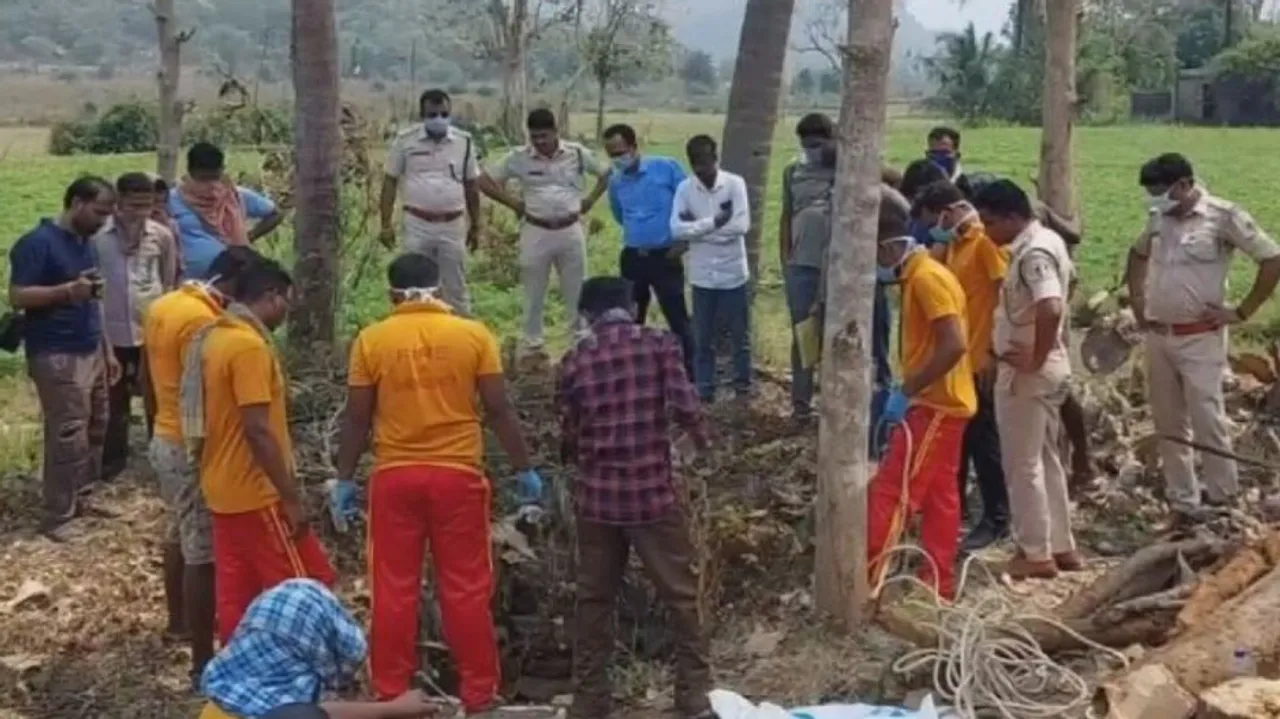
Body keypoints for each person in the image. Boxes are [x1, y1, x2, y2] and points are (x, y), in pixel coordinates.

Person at [331, 253, 542, 713]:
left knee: (393, 588)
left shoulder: (372, 340)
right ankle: (479, 694)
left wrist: (344, 479)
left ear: (392, 295)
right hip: (458, 477)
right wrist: (524, 467)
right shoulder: (472, 335)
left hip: (394, 479)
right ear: (440, 291)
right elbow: (499, 409)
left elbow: (356, 417)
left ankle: (391, 694)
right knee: (465, 588)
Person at [556, 277, 713, 719]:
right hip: (652, 497)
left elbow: (568, 435)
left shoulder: (575, 361)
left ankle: (589, 700)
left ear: (587, 316)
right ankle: (694, 695)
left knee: (594, 600)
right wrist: (698, 446)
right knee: (681, 596)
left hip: (598, 501)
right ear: (631, 307)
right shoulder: (660, 345)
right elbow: (687, 407)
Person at [181, 259, 337, 643]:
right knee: (308, 586)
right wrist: (290, 498)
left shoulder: (215, 337)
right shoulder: (248, 347)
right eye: (286, 301)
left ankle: (243, 675)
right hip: (257, 491)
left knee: (239, 595)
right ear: (271, 296)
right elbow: (257, 430)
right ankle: (305, 676)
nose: (286, 312)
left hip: (223, 488)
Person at [1127, 154, 1280, 523]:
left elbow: (1272, 258)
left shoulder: (1223, 217)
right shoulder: (1157, 220)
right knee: (1168, 423)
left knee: (1207, 418)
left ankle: (1222, 500)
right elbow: (1137, 254)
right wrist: (1137, 302)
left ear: (1184, 184)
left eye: (1160, 192)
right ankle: (1184, 502)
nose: (1155, 200)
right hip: (1160, 336)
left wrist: (1242, 312)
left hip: (1201, 339)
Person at [145, 246, 260, 683]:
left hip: (164, 433)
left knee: (177, 531)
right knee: (203, 552)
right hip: (190, 442)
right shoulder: (203, 322)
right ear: (234, 283)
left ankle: (178, 622)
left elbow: (145, 375)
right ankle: (201, 660)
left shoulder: (166, 304)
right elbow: (203, 392)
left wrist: (154, 423)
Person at [865, 205, 974, 601]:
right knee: (941, 497)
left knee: (894, 491)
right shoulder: (920, 276)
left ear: (888, 248)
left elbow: (954, 344)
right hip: (947, 403)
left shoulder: (927, 279)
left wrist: (908, 390)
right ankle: (938, 584)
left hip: (935, 405)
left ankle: (868, 577)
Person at [975, 180, 1080, 579]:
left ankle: (1034, 552)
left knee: (1023, 463)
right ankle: (1061, 545)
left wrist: (1034, 357)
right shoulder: (1049, 241)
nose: (986, 231)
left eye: (989, 222)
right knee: (1048, 458)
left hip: (1028, 373)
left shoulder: (1032, 253)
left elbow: (1050, 304)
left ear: (1011, 217)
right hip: (1046, 367)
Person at [9, 176, 122, 541]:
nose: (104, 221)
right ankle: (58, 514)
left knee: (95, 426)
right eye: (99, 211)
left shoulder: (85, 244)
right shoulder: (36, 244)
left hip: (90, 347)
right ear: (76, 203)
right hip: (56, 351)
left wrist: (106, 349)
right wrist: (67, 292)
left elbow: (94, 298)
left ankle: (84, 496)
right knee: (67, 433)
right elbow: (18, 296)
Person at [780, 113, 893, 426]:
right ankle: (801, 406)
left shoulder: (850, 168)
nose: (812, 151)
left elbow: (894, 179)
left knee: (844, 332)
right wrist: (786, 258)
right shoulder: (793, 172)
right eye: (807, 145)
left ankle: (843, 402)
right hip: (802, 265)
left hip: (844, 266)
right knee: (804, 336)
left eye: (818, 144)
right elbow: (787, 216)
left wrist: (846, 152)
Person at [914, 181, 1010, 551]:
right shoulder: (955, 242)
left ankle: (997, 518)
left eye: (935, 221)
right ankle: (954, 514)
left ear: (950, 211)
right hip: (960, 360)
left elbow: (1004, 298)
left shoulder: (986, 243)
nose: (933, 231)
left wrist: (992, 351)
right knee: (962, 443)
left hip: (980, 358)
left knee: (985, 444)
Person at [199, 579, 436, 719]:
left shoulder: (222, 702)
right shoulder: (293, 714)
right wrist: (392, 709)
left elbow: (323, 712)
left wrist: (390, 709)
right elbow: (310, 715)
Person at [479, 108, 610, 355]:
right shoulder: (518, 157)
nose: (539, 142)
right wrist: (513, 203)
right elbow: (484, 180)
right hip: (535, 230)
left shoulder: (577, 153)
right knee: (533, 290)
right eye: (535, 137)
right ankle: (533, 344)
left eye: (544, 136)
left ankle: (580, 342)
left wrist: (590, 200)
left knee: (576, 290)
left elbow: (605, 173)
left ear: (555, 132)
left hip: (570, 229)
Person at [94, 172, 180, 480]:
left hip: (151, 332)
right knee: (114, 400)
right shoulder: (98, 238)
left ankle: (161, 461)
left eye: (146, 206)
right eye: (133, 206)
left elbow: (168, 282)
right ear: (118, 204)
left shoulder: (162, 236)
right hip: (112, 332)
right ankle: (113, 464)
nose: (139, 213)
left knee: (157, 396)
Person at [603, 123, 695, 374]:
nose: (617, 159)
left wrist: (683, 241)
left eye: (620, 152)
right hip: (634, 257)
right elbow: (620, 215)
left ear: (634, 147)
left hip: (665, 256)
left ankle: (692, 374)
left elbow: (690, 200)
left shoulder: (665, 168)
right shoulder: (616, 182)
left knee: (677, 319)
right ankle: (632, 373)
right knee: (631, 320)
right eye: (611, 155)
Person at [380, 89, 482, 314]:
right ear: (422, 114)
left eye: (444, 114)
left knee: (455, 285)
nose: (439, 119)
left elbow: (472, 185)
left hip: (452, 224)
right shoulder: (405, 141)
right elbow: (390, 182)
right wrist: (385, 224)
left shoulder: (464, 142)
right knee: (413, 283)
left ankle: (459, 335)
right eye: (433, 114)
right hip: (418, 222)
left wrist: (476, 225)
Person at [669, 134, 752, 402]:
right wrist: (715, 222)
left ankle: (743, 386)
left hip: (733, 275)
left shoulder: (734, 184)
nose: (702, 169)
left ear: (715, 159)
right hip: (702, 276)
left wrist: (697, 229)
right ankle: (705, 389)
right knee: (702, 339)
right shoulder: (685, 189)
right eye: (696, 164)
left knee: (740, 337)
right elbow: (676, 229)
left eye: (705, 162)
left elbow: (740, 227)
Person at [170, 142, 284, 280]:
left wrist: (250, 237)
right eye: (203, 179)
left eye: (215, 178)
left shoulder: (234, 196)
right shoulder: (172, 199)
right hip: (189, 282)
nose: (210, 186)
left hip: (233, 281)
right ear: (190, 172)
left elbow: (275, 214)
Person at [925, 126, 967, 192]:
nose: (938, 158)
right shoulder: (919, 185)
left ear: (957, 156)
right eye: (933, 153)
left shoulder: (965, 186)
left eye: (943, 153)